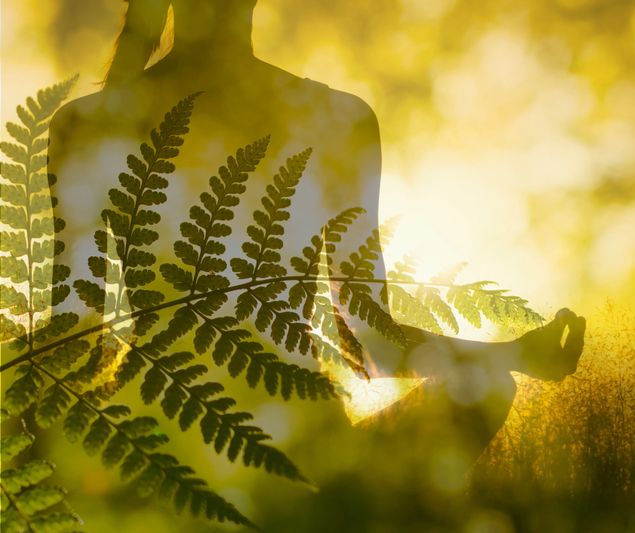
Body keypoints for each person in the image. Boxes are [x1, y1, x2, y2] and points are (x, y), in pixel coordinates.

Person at [47, 0, 586, 524]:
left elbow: (67, 339)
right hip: (307, 459)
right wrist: (508, 355)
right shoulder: (338, 118)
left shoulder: (86, 124)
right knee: (488, 385)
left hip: (150, 452)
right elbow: (369, 341)